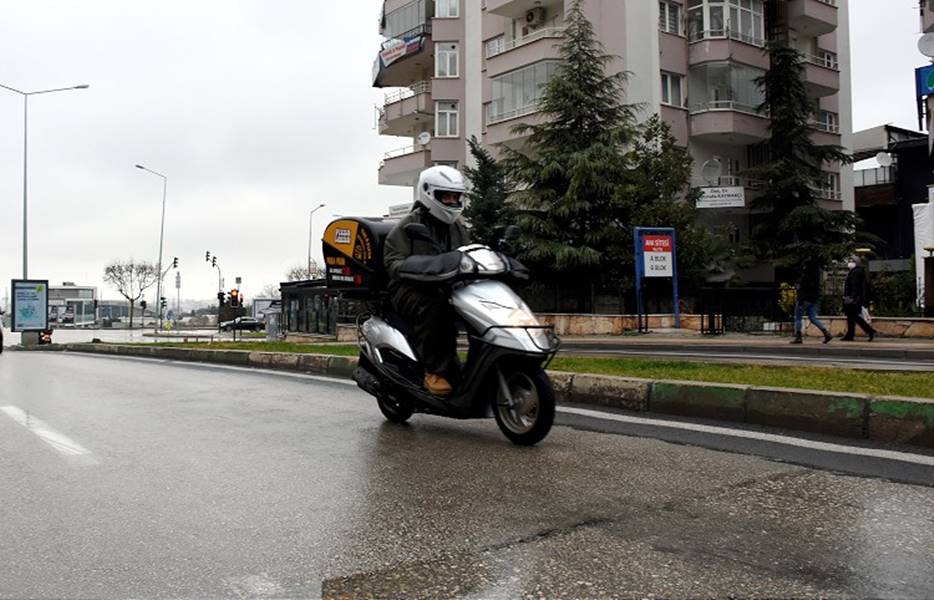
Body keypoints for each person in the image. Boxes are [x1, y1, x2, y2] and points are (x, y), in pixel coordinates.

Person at [383, 166, 470, 397]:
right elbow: (393, 263)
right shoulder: (407, 226)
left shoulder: (458, 228)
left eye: (455, 196)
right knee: (437, 305)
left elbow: (468, 253)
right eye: (446, 196)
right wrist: (418, 266)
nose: (452, 201)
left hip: (446, 287)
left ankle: (468, 367)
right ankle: (435, 372)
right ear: (429, 193)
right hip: (408, 290)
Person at [790, 258, 832, 344]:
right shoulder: (815, 277)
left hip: (803, 299)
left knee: (798, 317)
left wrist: (801, 301)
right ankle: (826, 333)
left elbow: (802, 290)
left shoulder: (804, 277)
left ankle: (798, 337)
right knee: (813, 318)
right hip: (812, 300)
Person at [841, 255, 876, 341]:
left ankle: (869, 331)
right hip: (854, 298)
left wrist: (852, 297)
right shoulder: (855, 271)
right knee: (852, 317)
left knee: (853, 316)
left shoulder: (855, 272)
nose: (849, 263)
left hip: (853, 298)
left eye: (852, 261)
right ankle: (851, 334)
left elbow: (855, 286)